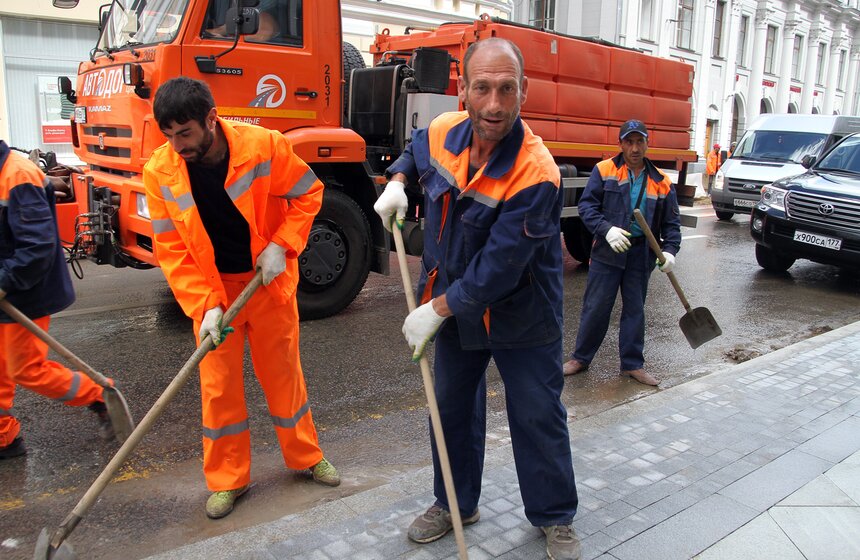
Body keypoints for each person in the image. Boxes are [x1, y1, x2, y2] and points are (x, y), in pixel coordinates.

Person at [374, 38, 581, 560]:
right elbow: (415, 147)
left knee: (536, 412)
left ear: (523, 93)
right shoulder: (444, 131)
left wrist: (435, 310)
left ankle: (554, 516)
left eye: (506, 89)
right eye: (482, 88)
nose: (494, 104)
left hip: (521, 313)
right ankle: (454, 503)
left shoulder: (537, 172)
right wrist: (398, 179)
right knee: (448, 408)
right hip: (457, 310)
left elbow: (498, 272)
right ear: (462, 90)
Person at [143, 77, 339, 519]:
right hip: (215, 293)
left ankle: (306, 457)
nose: (177, 145)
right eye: (169, 135)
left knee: (284, 375)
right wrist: (204, 306)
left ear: (211, 119)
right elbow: (170, 248)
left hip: (266, 284)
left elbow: (309, 193)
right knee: (219, 389)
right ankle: (228, 480)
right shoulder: (160, 171)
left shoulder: (264, 146)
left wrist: (283, 245)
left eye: (185, 133)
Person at [0, 140, 115, 460]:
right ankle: (4, 437)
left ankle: (97, 394)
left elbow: (35, 249)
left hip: (25, 292)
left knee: (25, 369)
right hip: (8, 286)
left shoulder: (18, 177)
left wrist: (3, 283)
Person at [562, 120, 681, 387]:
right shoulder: (604, 171)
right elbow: (587, 207)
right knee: (596, 307)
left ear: (648, 144)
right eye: (629, 142)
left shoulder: (661, 182)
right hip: (608, 250)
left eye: (640, 142)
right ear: (621, 144)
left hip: (641, 254)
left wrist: (670, 252)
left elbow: (672, 225)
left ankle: (632, 364)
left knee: (635, 310)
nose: (635, 148)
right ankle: (580, 358)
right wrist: (606, 230)